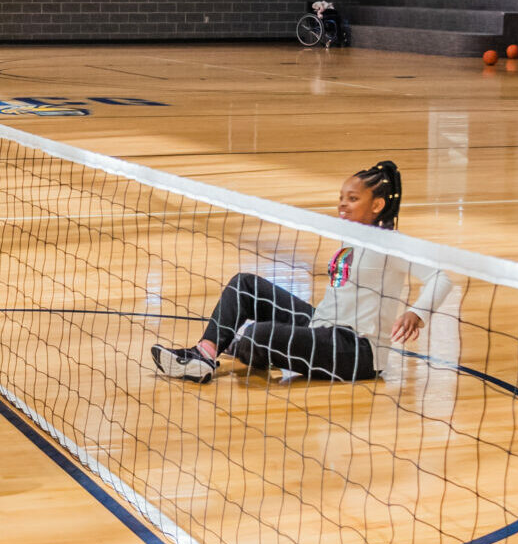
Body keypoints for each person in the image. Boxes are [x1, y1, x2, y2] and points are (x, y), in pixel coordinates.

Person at [150, 160, 449, 384]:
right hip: (323, 326)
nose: (343, 204)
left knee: (258, 335)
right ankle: (204, 355)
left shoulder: (392, 244)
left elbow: (442, 278)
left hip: (356, 351)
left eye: (353, 199)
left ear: (378, 205)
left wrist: (416, 312)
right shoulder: (352, 236)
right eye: (343, 196)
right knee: (245, 285)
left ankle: (241, 346)